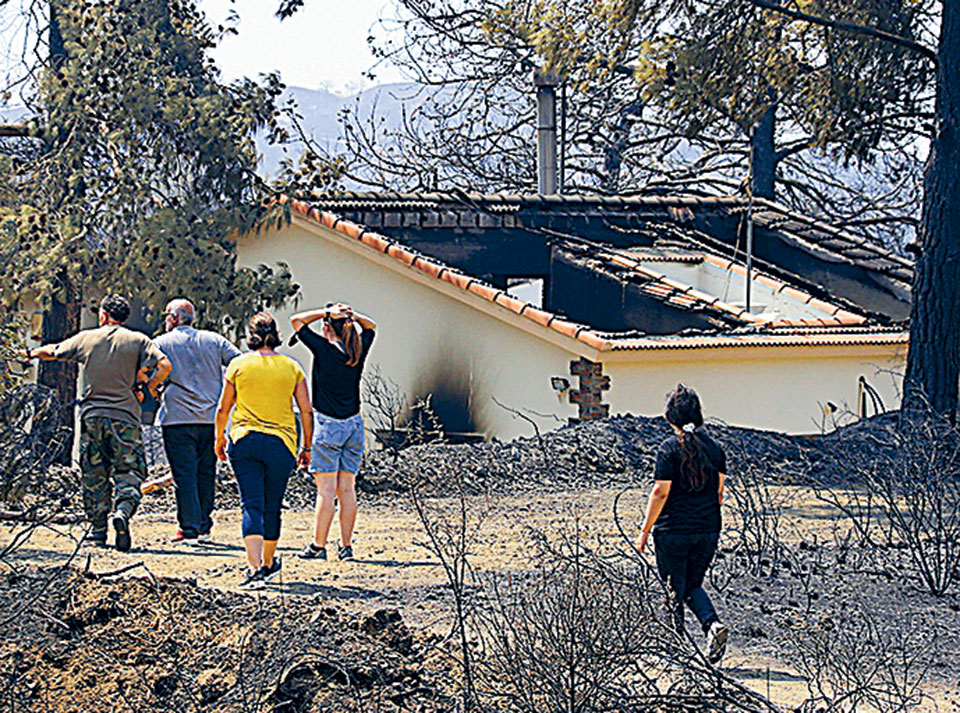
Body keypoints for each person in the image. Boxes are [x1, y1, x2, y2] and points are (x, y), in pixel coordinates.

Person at [26, 294, 171, 551]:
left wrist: (30, 353)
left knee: (94, 475)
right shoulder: (138, 340)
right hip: (125, 418)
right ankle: (123, 512)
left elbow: (54, 351)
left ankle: (97, 531)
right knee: (129, 472)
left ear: (103, 315)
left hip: (93, 417)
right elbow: (165, 366)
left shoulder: (86, 338)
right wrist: (146, 387)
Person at [214, 312, 312, 590]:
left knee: (251, 503)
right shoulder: (291, 367)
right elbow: (306, 410)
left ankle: (254, 568)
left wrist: (219, 438)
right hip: (281, 443)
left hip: (244, 439)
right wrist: (306, 447)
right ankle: (268, 564)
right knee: (272, 505)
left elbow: (224, 408)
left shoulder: (238, 364)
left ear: (252, 335)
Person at [638, 384, 729, 664]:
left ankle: (675, 650)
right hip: (708, 529)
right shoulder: (716, 449)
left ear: (670, 419)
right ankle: (712, 626)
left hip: (672, 531)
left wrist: (644, 530)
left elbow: (661, 491)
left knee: (672, 589)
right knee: (692, 584)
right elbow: (719, 492)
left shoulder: (668, 449)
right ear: (698, 416)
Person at [290, 302, 376, 562]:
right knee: (347, 489)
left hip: (327, 425)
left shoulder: (323, 350)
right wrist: (352, 315)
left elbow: (296, 321)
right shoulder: (357, 350)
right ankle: (346, 546)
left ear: (327, 327)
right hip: (354, 425)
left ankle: (318, 545)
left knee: (325, 491)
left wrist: (326, 313)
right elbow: (371, 327)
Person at [154, 298, 241, 545]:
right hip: (211, 418)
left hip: (177, 418)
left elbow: (148, 367)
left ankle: (188, 528)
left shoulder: (161, 342)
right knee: (206, 472)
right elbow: (239, 361)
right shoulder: (214, 340)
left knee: (184, 474)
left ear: (172, 317)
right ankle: (204, 524)